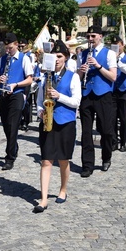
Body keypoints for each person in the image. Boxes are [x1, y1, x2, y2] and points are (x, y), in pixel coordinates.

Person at [34, 40, 81, 213]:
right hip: (47, 122)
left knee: (63, 160)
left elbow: (76, 102)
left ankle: (63, 190)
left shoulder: (73, 76)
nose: (56, 59)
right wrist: (40, 111)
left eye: (60, 56)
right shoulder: (46, 77)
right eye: (54, 56)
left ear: (66, 58)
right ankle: (44, 198)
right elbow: (39, 100)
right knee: (46, 160)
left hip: (65, 123)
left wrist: (59, 96)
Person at [78, 25, 117, 177]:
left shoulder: (109, 54)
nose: (90, 39)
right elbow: (78, 78)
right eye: (88, 36)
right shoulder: (83, 54)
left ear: (100, 36)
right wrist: (81, 71)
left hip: (103, 95)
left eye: (93, 36)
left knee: (106, 130)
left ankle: (106, 157)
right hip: (87, 94)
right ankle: (87, 165)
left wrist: (98, 66)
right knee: (86, 132)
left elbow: (113, 77)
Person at [0, 33, 33, 171]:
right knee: (6, 125)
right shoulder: (3, 59)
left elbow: (29, 79)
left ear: (16, 45)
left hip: (16, 94)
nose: (8, 51)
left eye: (10, 48)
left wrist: (15, 84)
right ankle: (13, 146)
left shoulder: (24, 59)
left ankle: (9, 157)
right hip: (3, 94)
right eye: (6, 48)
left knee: (13, 124)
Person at [112, 38, 126, 152]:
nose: (117, 48)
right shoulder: (110, 58)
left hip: (124, 91)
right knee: (113, 118)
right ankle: (114, 142)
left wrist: (117, 60)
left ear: (123, 46)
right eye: (114, 46)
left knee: (124, 118)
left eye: (118, 46)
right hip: (113, 90)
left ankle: (123, 142)